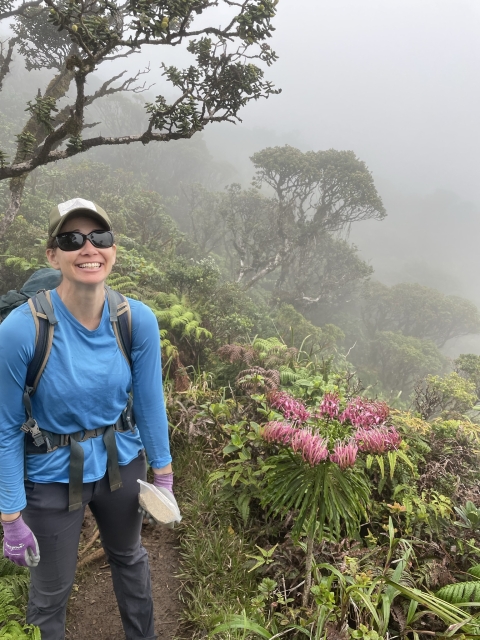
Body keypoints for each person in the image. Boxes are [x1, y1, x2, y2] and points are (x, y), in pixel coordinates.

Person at [0, 198, 174, 640]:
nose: (88, 248)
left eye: (99, 237)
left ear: (113, 247)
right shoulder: (23, 329)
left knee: (130, 559)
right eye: (72, 239)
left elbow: (151, 402)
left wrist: (164, 475)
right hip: (52, 474)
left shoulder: (136, 320)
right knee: (50, 591)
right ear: (52, 254)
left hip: (122, 462)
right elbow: (3, 427)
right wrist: (10, 517)